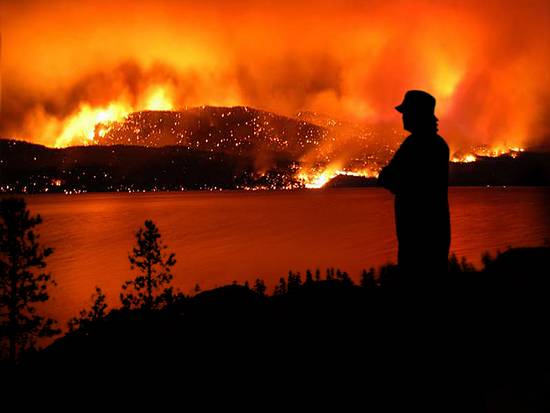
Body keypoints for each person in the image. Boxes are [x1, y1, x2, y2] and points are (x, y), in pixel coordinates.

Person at [378, 90, 450, 284]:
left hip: (417, 237)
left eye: (406, 112)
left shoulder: (414, 145)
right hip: (436, 234)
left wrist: (398, 184)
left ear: (417, 114)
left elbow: (387, 177)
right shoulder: (438, 145)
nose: (403, 116)